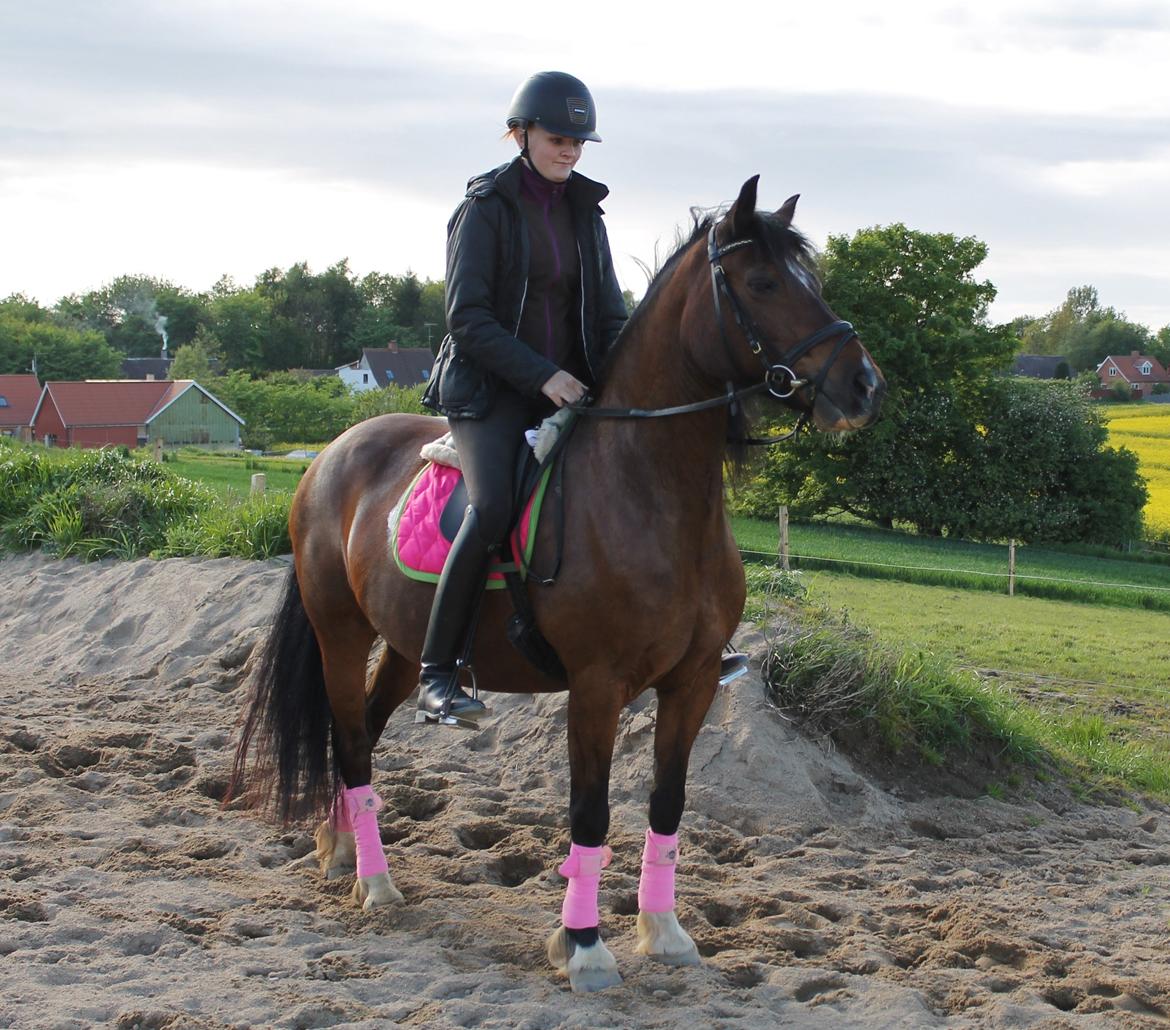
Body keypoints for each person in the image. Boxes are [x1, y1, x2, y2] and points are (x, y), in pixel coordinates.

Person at [417, 71, 629, 725]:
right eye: (558, 138)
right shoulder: (484, 207)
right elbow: (468, 320)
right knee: (495, 506)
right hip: (489, 390)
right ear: (522, 134)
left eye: (578, 142)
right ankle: (437, 674)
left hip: (569, 388)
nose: (569, 151)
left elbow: (612, 318)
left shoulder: (585, 213)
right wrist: (542, 376)